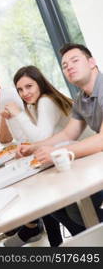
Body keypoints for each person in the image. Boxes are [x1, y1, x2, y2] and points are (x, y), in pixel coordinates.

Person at [18, 43, 103, 233]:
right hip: (95, 162)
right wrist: (34, 148)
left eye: (75, 61)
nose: (69, 67)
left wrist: (56, 152)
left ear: (92, 62)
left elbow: (101, 140)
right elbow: (68, 134)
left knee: (78, 205)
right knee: (65, 205)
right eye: (64, 66)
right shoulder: (82, 97)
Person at [2, 65, 73, 247]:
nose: (24, 93)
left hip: (80, 159)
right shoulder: (35, 105)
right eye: (20, 89)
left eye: (29, 86)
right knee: (45, 199)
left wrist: (18, 113)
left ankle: (76, 238)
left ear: (39, 84)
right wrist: (12, 119)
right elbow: (27, 138)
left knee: (47, 200)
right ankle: (59, 242)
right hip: (66, 158)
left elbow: (41, 137)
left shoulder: (46, 101)